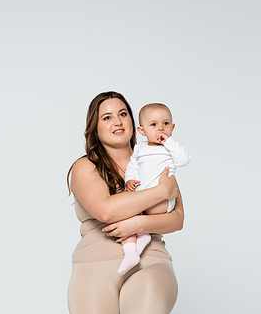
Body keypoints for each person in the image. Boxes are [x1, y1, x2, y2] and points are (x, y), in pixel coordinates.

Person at [67, 91, 184, 314]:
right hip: (94, 265)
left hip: (150, 260)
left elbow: (177, 219)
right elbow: (106, 211)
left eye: (123, 114)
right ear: (95, 127)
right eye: (107, 117)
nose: (118, 122)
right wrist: (160, 191)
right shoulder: (85, 167)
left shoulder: (159, 158)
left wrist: (139, 225)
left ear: (134, 122)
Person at [117, 103, 191, 275]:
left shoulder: (171, 148)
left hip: (163, 201)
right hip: (143, 197)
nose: (160, 129)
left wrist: (170, 142)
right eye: (153, 125)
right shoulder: (139, 149)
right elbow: (132, 167)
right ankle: (130, 252)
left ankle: (142, 235)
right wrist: (129, 180)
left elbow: (184, 160)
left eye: (166, 124)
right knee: (124, 214)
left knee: (137, 214)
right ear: (142, 131)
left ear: (172, 127)